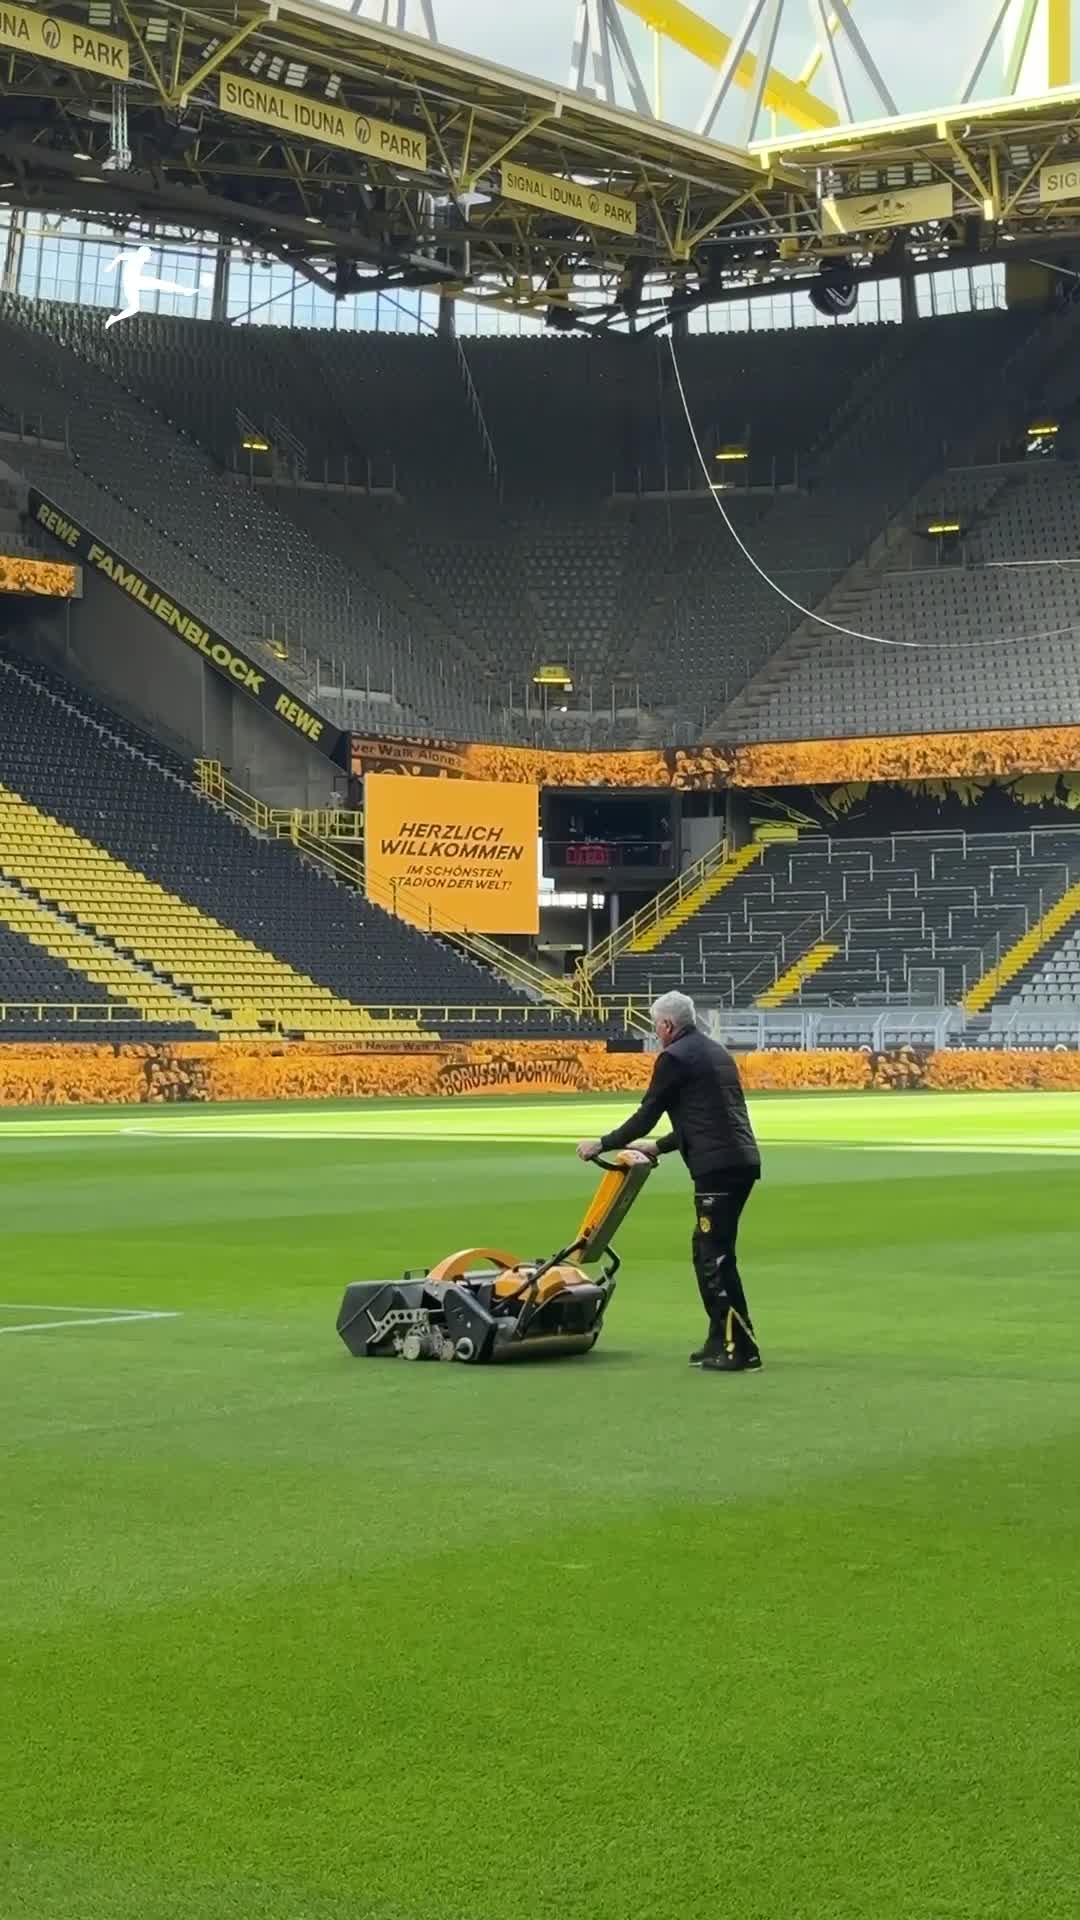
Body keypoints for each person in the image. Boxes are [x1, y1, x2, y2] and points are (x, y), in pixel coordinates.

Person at [577, 991, 762, 1373]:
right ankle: (719, 1339)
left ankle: (740, 1348)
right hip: (738, 1160)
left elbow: (647, 1114)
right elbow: (704, 1118)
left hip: (716, 1168)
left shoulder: (674, 1057)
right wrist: (659, 1147)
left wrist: (603, 1143)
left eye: (655, 1024)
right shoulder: (715, 1052)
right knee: (705, 1250)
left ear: (666, 1025)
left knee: (716, 1257)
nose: (655, 1031)